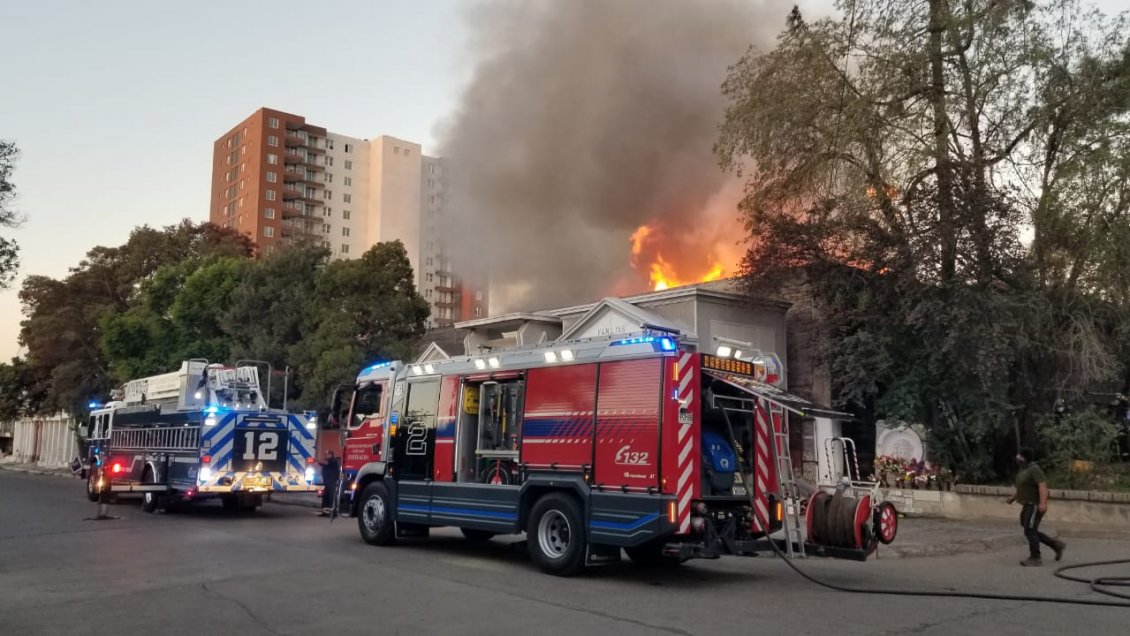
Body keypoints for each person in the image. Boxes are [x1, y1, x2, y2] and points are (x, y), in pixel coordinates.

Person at [1007, 447, 1065, 566]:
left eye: (1019, 456)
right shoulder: (1023, 470)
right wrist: (1013, 497)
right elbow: (1023, 487)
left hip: (1034, 505)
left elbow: (1042, 486)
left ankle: (1035, 557)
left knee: (1029, 529)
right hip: (1026, 504)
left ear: (1024, 458)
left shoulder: (1034, 469)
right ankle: (1056, 545)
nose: (1017, 458)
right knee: (1028, 528)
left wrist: (1043, 503)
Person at [318, 450, 340, 517]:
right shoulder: (328, 461)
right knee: (325, 497)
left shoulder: (333, 461)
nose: (325, 456)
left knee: (331, 498)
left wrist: (316, 460)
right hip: (327, 482)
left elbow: (325, 464)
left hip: (332, 482)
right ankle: (325, 512)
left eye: (326, 454)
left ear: (330, 455)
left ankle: (333, 513)